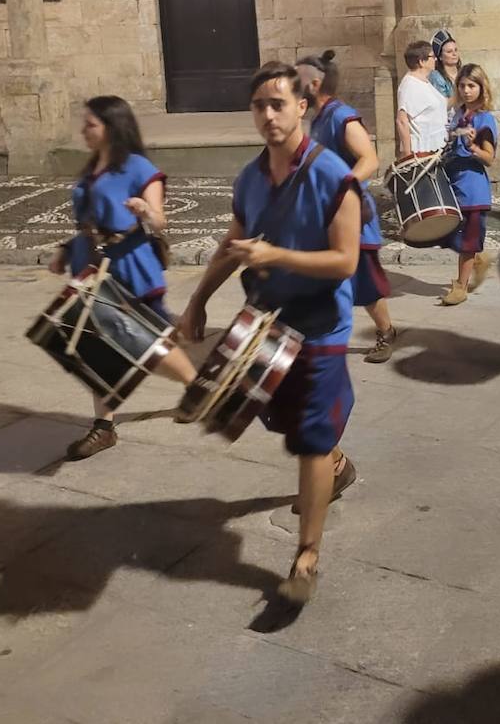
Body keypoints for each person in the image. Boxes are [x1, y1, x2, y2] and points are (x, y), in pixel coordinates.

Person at [178, 63, 361, 607]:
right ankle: (337, 463)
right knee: (268, 417)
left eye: (278, 103)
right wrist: (198, 298)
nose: (268, 115)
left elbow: (345, 261)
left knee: (308, 437)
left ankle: (306, 554)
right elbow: (234, 243)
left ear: (304, 105)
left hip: (323, 325)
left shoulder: (334, 176)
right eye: (259, 106)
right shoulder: (250, 178)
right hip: (266, 321)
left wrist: (275, 254)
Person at [54, 95, 201, 462]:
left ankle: (198, 387)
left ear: (111, 127)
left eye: (91, 124)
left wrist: (145, 209)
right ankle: (103, 427)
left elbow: (159, 221)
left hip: (131, 267)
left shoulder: (137, 168)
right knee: (94, 347)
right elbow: (89, 224)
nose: (83, 130)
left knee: (147, 348)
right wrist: (66, 250)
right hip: (93, 268)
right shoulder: (91, 170)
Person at [297, 51, 398, 364]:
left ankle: (386, 331)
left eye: (296, 77)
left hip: (353, 217)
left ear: (314, 84)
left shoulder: (342, 115)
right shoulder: (319, 117)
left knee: (366, 284)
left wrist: (342, 186)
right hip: (327, 217)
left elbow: (370, 159)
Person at [439, 64, 499, 306]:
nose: (466, 90)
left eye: (471, 86)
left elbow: (489, 158)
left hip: (474, 189)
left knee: (466, 240)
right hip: (455, 185)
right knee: (447, 236)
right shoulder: (458, 115)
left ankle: (460, 287)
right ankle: (479, 258)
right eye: (462, 85)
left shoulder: (485, 120)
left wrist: (473, 147)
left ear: (481, 88)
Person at [396, 39, 449, 157]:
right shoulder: (409, 85)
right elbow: (402, 120)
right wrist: (407, 154)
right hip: (423, 149)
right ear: (421, 61)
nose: (435, 59)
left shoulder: (425, 81)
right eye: (432, 56)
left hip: (437, 146)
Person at [430, 29, 460, 102]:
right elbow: (441, 105)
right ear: (440, 57)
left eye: (455, 50)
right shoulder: (436, 77)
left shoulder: (464, 71)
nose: (454, 54)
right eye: (449, 51)